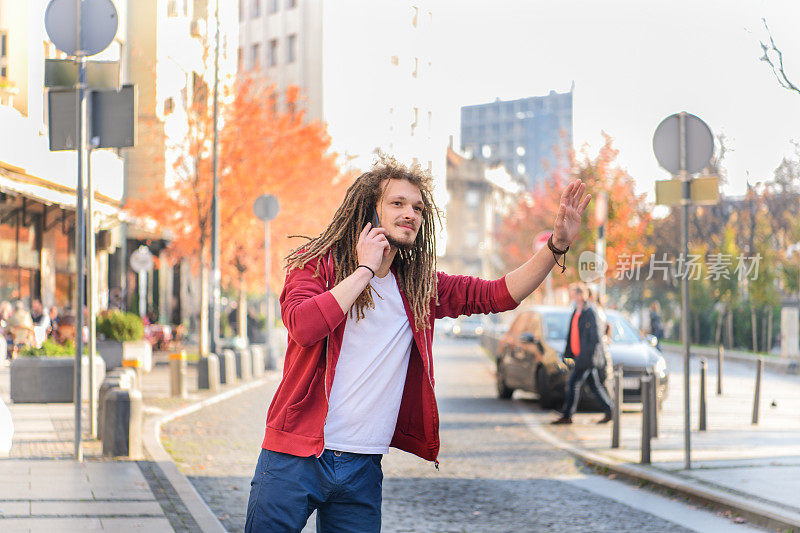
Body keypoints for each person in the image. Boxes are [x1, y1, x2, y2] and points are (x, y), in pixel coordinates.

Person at [244, 158, 591, 532]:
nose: (410, 213)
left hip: (363, 466)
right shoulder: (317, 266)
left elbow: (498, 295)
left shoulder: (418, 286)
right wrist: (363, 270)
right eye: (397, 203)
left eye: (418, 208)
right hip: (295, 455)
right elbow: (303, 325)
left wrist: (556, 246)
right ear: (369, 210)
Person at [552, 283, 614, 425]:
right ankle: (610, 409)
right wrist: (568, 354)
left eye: (573, 293)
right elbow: (572, 333)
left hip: (586, 357)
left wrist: (586, 356)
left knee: (574, 383)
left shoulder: (590, 311)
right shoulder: (577, 310)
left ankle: (567, 415)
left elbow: (595, 337)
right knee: (594, 385)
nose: (571, 296)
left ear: (580, 294)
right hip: (578, 355)